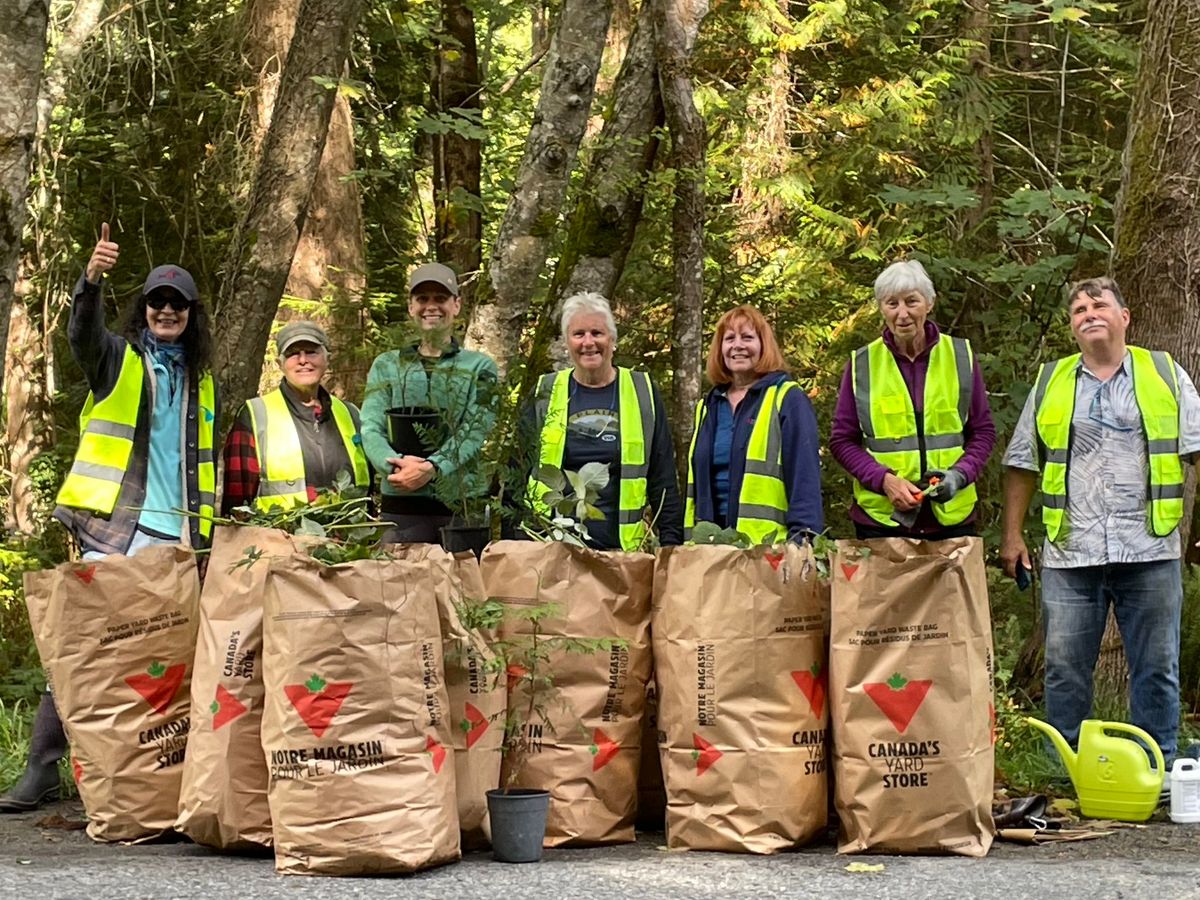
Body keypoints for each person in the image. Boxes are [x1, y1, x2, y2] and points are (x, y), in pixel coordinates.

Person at [1, 222, 218, 813]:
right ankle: (42, 768)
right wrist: (91, 278)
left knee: (166, 657)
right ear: (143, 309)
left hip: (176, 536)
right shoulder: (117, 360)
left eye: (177, 303)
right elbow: (81, 335)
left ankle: (148, 776)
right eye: (156, 301)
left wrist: (203, 537)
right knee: (85, 645)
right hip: (113, 527)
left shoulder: (204, 383)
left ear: (191, 314)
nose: (166, 310)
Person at [1001, 276, 1200, 774]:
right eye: (1078, 310)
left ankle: (1158, 771)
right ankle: (1063, 773)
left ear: (1124, 317)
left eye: (1099, 304)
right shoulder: (1051, 381)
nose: (1088, 313)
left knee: (1157, 671)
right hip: (1071, 552)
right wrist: (1012, 535)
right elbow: (1023, 461)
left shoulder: (1165, 373)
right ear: (1072, 327)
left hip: (1150, 549)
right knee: (1065, 671)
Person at [830, 259, 995, 539]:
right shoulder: (862, 364)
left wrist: (959, 475)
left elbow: (983, 432)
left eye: (911, 302)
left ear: (929, 304)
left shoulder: (960, 356)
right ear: (881, 308)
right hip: (882, 522)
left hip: (952, 521)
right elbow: (842, 441)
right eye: (892, 303)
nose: (902, 314)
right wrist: (885, 481)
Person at [526, 292, 683, 550]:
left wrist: (671, 546)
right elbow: (518, 472)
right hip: (552, 550)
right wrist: (516, 541)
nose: (588, 342)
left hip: (623, 554)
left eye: (597, 333)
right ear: (567, 342)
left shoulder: (642, 391)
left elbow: (662, 476)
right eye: (579, 334)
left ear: (612, 339)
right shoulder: (545, 391)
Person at [359, 263, 498, 543]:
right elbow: (370, 428)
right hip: (401, 504)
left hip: (462, 506)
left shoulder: (480, 367)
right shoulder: (387, 366)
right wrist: (394, 467)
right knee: (402, 584)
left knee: (464, 585)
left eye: (440, 298)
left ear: (456, 305)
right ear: (411, 307)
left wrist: (433, 467)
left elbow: (476, 428)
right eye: (422, 299)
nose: (431, 306)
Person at [685, 304, 822, 543]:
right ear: (720, 349)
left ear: (763, 346)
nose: (738, 345)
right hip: (709, 550)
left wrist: (803, 541)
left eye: (747, 337)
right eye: (729, 339)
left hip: (768, 550)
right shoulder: (708, 407)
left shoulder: (787, 398)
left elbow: (805, 479)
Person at [221, 321, 369, 513]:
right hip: (279, 539)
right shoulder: (255, 415)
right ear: (280, 364)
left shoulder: (351, 414)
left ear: (327, 359)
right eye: (292, 354)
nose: (302, 360)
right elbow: (237, 502)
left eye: (311, 352)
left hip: (350, 539)